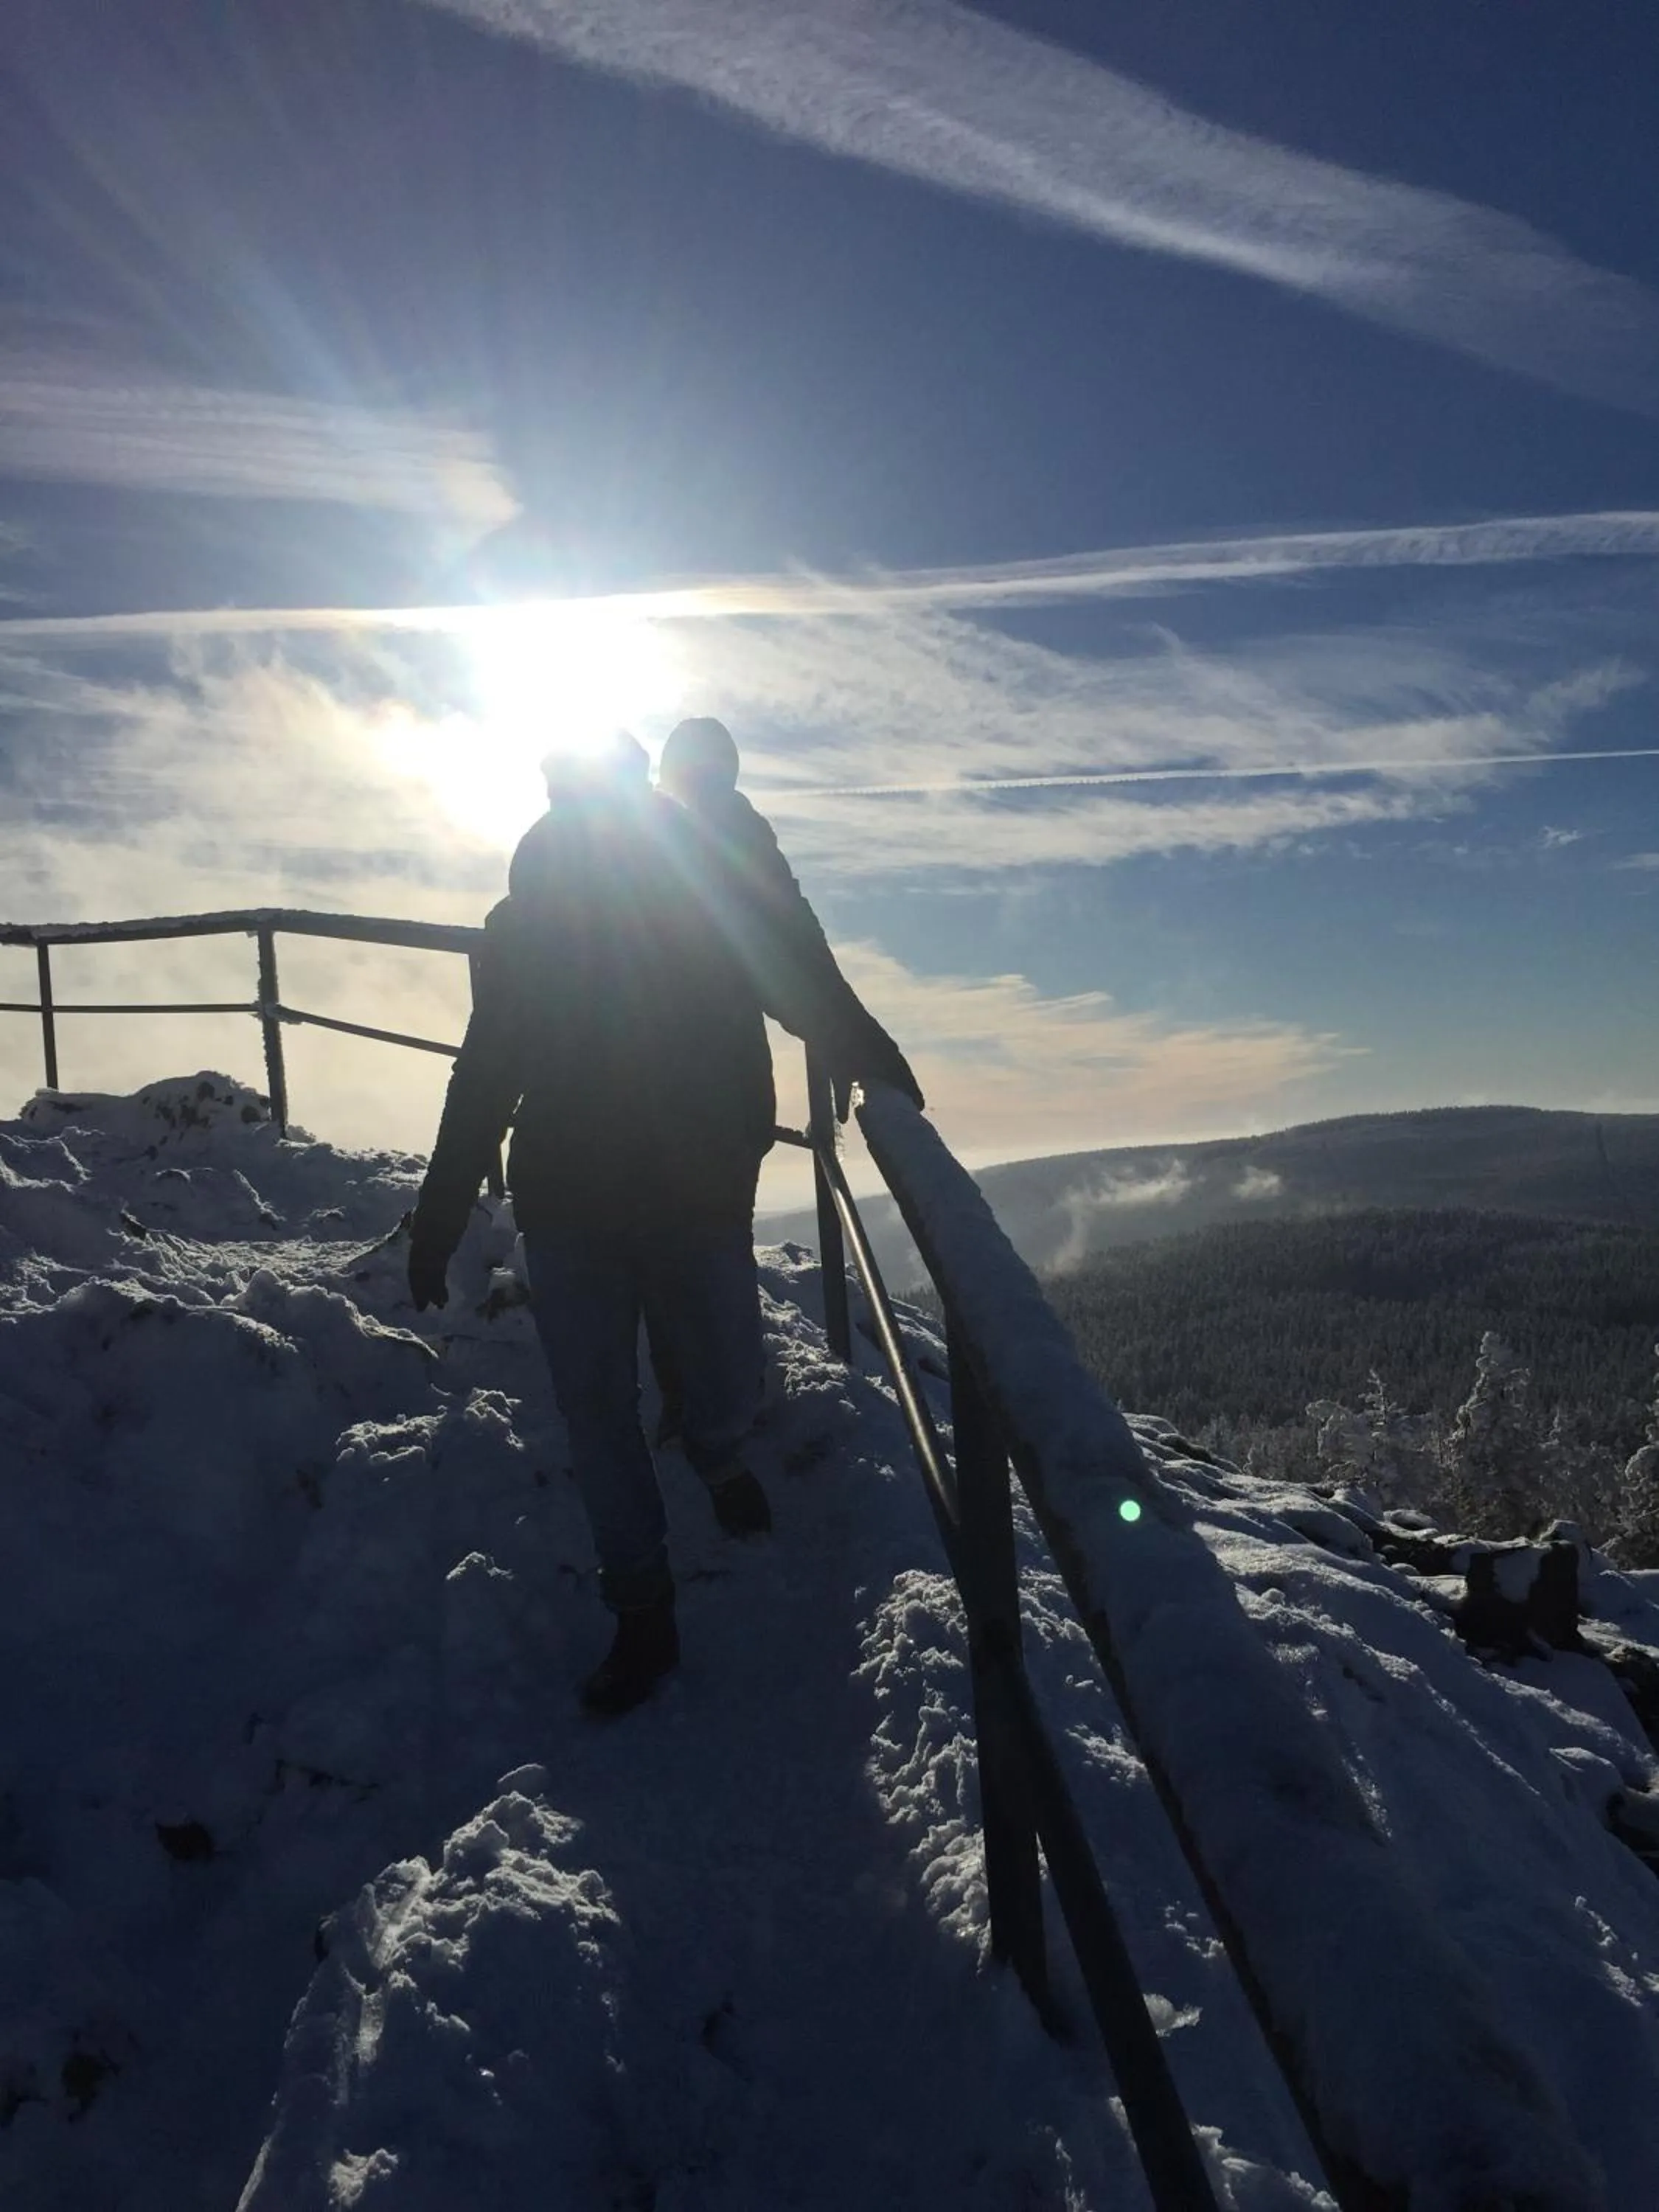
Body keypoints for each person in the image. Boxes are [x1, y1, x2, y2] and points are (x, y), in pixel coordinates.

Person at [406, 726, 919, 1718]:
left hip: (674, 1184)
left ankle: (716, 1452)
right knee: (606, 1410)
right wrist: (439, 1210)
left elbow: (790, 979)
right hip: (588, 1194)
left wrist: (863, 1044)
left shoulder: (682, 896)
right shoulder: (534, 919)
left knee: (704, 1374)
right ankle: (643, 1608)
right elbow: (488, 1067)